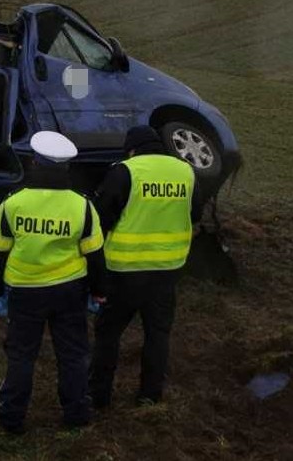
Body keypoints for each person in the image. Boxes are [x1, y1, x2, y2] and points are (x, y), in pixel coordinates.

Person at [0, 131, 105, 434]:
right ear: (66, 168)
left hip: (25, 293)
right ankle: (76, 414)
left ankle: (11, 419)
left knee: (21, 355)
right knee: (73, 354)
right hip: (69, 292)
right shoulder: (83, 206)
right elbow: (95, 255)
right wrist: (100, 291)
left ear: (35, 162)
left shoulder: (13, 203)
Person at [87, 125, 199, 408]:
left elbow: (102, 217)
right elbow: (195, 212)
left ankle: (99, 395)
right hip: (168, 268)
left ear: (132, 149)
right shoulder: (185, 170)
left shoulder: (126, 170)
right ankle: (150, 395)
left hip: (125, 270)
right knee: (158, 334)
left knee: (108, 333)